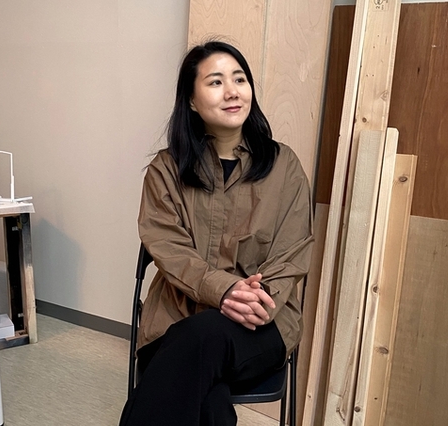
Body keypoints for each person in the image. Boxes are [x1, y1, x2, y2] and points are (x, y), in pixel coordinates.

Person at [119, 40, 314, 426]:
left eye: (239, 79)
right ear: (191, 101)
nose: (232, 91)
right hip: (176, 317)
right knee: (210, 404)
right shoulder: (166, 170)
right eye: (215, 82)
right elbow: (167, 246)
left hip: (261, 323)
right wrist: (222, 290)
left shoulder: (284, 166)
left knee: (200, 339)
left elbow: (292, 252)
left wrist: (253, 301)